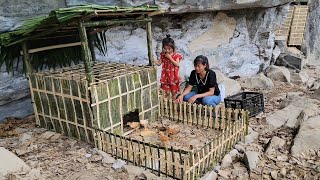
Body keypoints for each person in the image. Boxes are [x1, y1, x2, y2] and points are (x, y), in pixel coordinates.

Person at [154, 34, 183, 100]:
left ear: (173, 47)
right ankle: (166, 106)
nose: (167, 51)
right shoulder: (163, 55)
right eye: (165, 49)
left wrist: (170, 58)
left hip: (173, 77)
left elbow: (177, 64)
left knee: (174, 93)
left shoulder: (176, 55)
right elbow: (159, 63)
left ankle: (174, 106)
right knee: (166, 93)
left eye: (169, 49)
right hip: (165, 77)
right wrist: (153, 59)